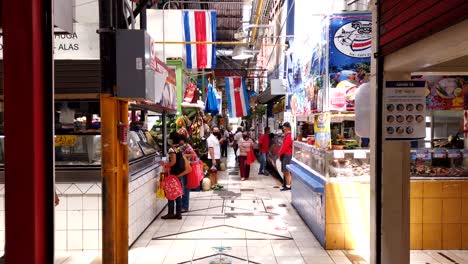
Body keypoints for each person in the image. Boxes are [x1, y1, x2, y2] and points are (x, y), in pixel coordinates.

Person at [161, 132, 192, 219]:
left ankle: (171, 213)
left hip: (173, 174)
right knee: (177, 193)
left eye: (170, 138)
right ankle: (178, 213)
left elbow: (173, 162)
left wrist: (165, 164)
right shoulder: (179, 148)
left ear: (172, 140)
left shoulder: (172, 149)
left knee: (170, 192)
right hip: (179, 173)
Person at [178, 134, 197, 213]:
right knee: (183, 187)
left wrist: (184, 155)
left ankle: (185, 206)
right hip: (181, 169)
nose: (179, 142)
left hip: (186, 169)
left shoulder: (187, 146)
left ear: (183, 140)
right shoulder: (179, 147)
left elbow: (194, 155)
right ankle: (182, 205)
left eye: (180, 140)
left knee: (185, 188)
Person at [278, 122, 293, 191]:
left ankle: (288, 186)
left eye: (284, 126)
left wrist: (280, 153)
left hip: (287, 154)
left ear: (287, 127)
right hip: (286, 154)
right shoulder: (287, 135)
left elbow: (285, 146)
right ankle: (286, 184)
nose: (283, 128)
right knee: (285, 171)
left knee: (286, 171)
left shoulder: (289, 135)